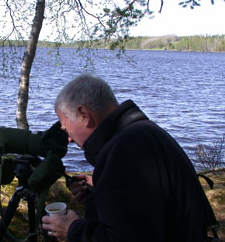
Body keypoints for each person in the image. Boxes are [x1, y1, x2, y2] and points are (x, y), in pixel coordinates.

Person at [41, 74, 218, 242]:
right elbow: (142, 215)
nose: (69, 138)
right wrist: (98, 194)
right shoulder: (142, 132)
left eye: (66, 128)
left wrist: (73, 230)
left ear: (84, 114)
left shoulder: (124, 151)